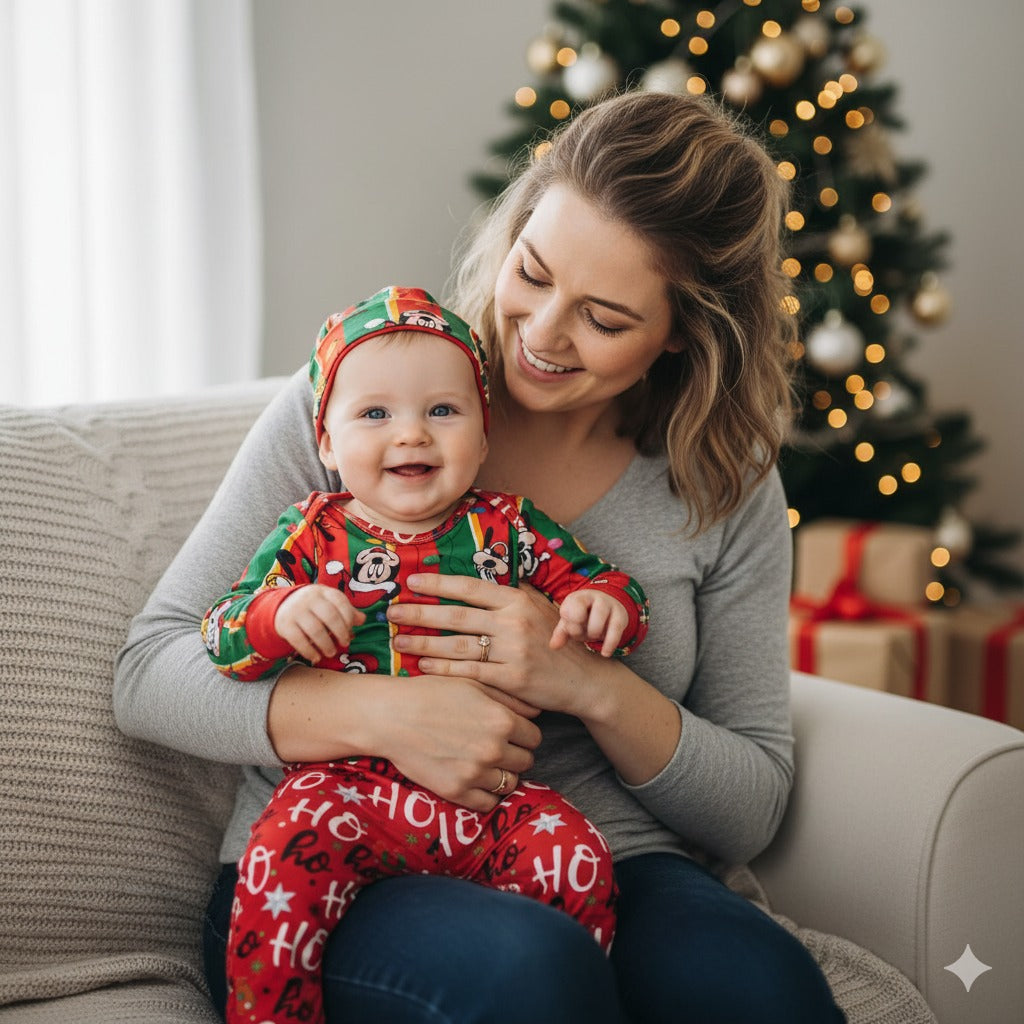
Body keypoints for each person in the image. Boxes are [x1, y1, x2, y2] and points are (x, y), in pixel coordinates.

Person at [115, 90, 846, 1023]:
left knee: (763, 989)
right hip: (328, 861)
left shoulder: (720, 483)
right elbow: (151, 670)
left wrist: (584, 680)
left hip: (601, 854)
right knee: (527, 974)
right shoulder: (370, 396)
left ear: (686, 334)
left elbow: (749, 807)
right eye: (531, 272)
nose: (539, 332)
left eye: (605, 318)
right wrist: (383, 713)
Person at [203, 285, 644, 1023]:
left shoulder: (508, 528)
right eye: (374, 414)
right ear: (326, 443)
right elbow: (220, 633)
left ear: (483, 432)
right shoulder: (310, 535)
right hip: (342, 792)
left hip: (488, 797)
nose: (411, 435)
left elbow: (600, 584)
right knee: (281, 854)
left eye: (442, 411)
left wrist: (604, 609)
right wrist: (279, 615)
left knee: (574, 852)